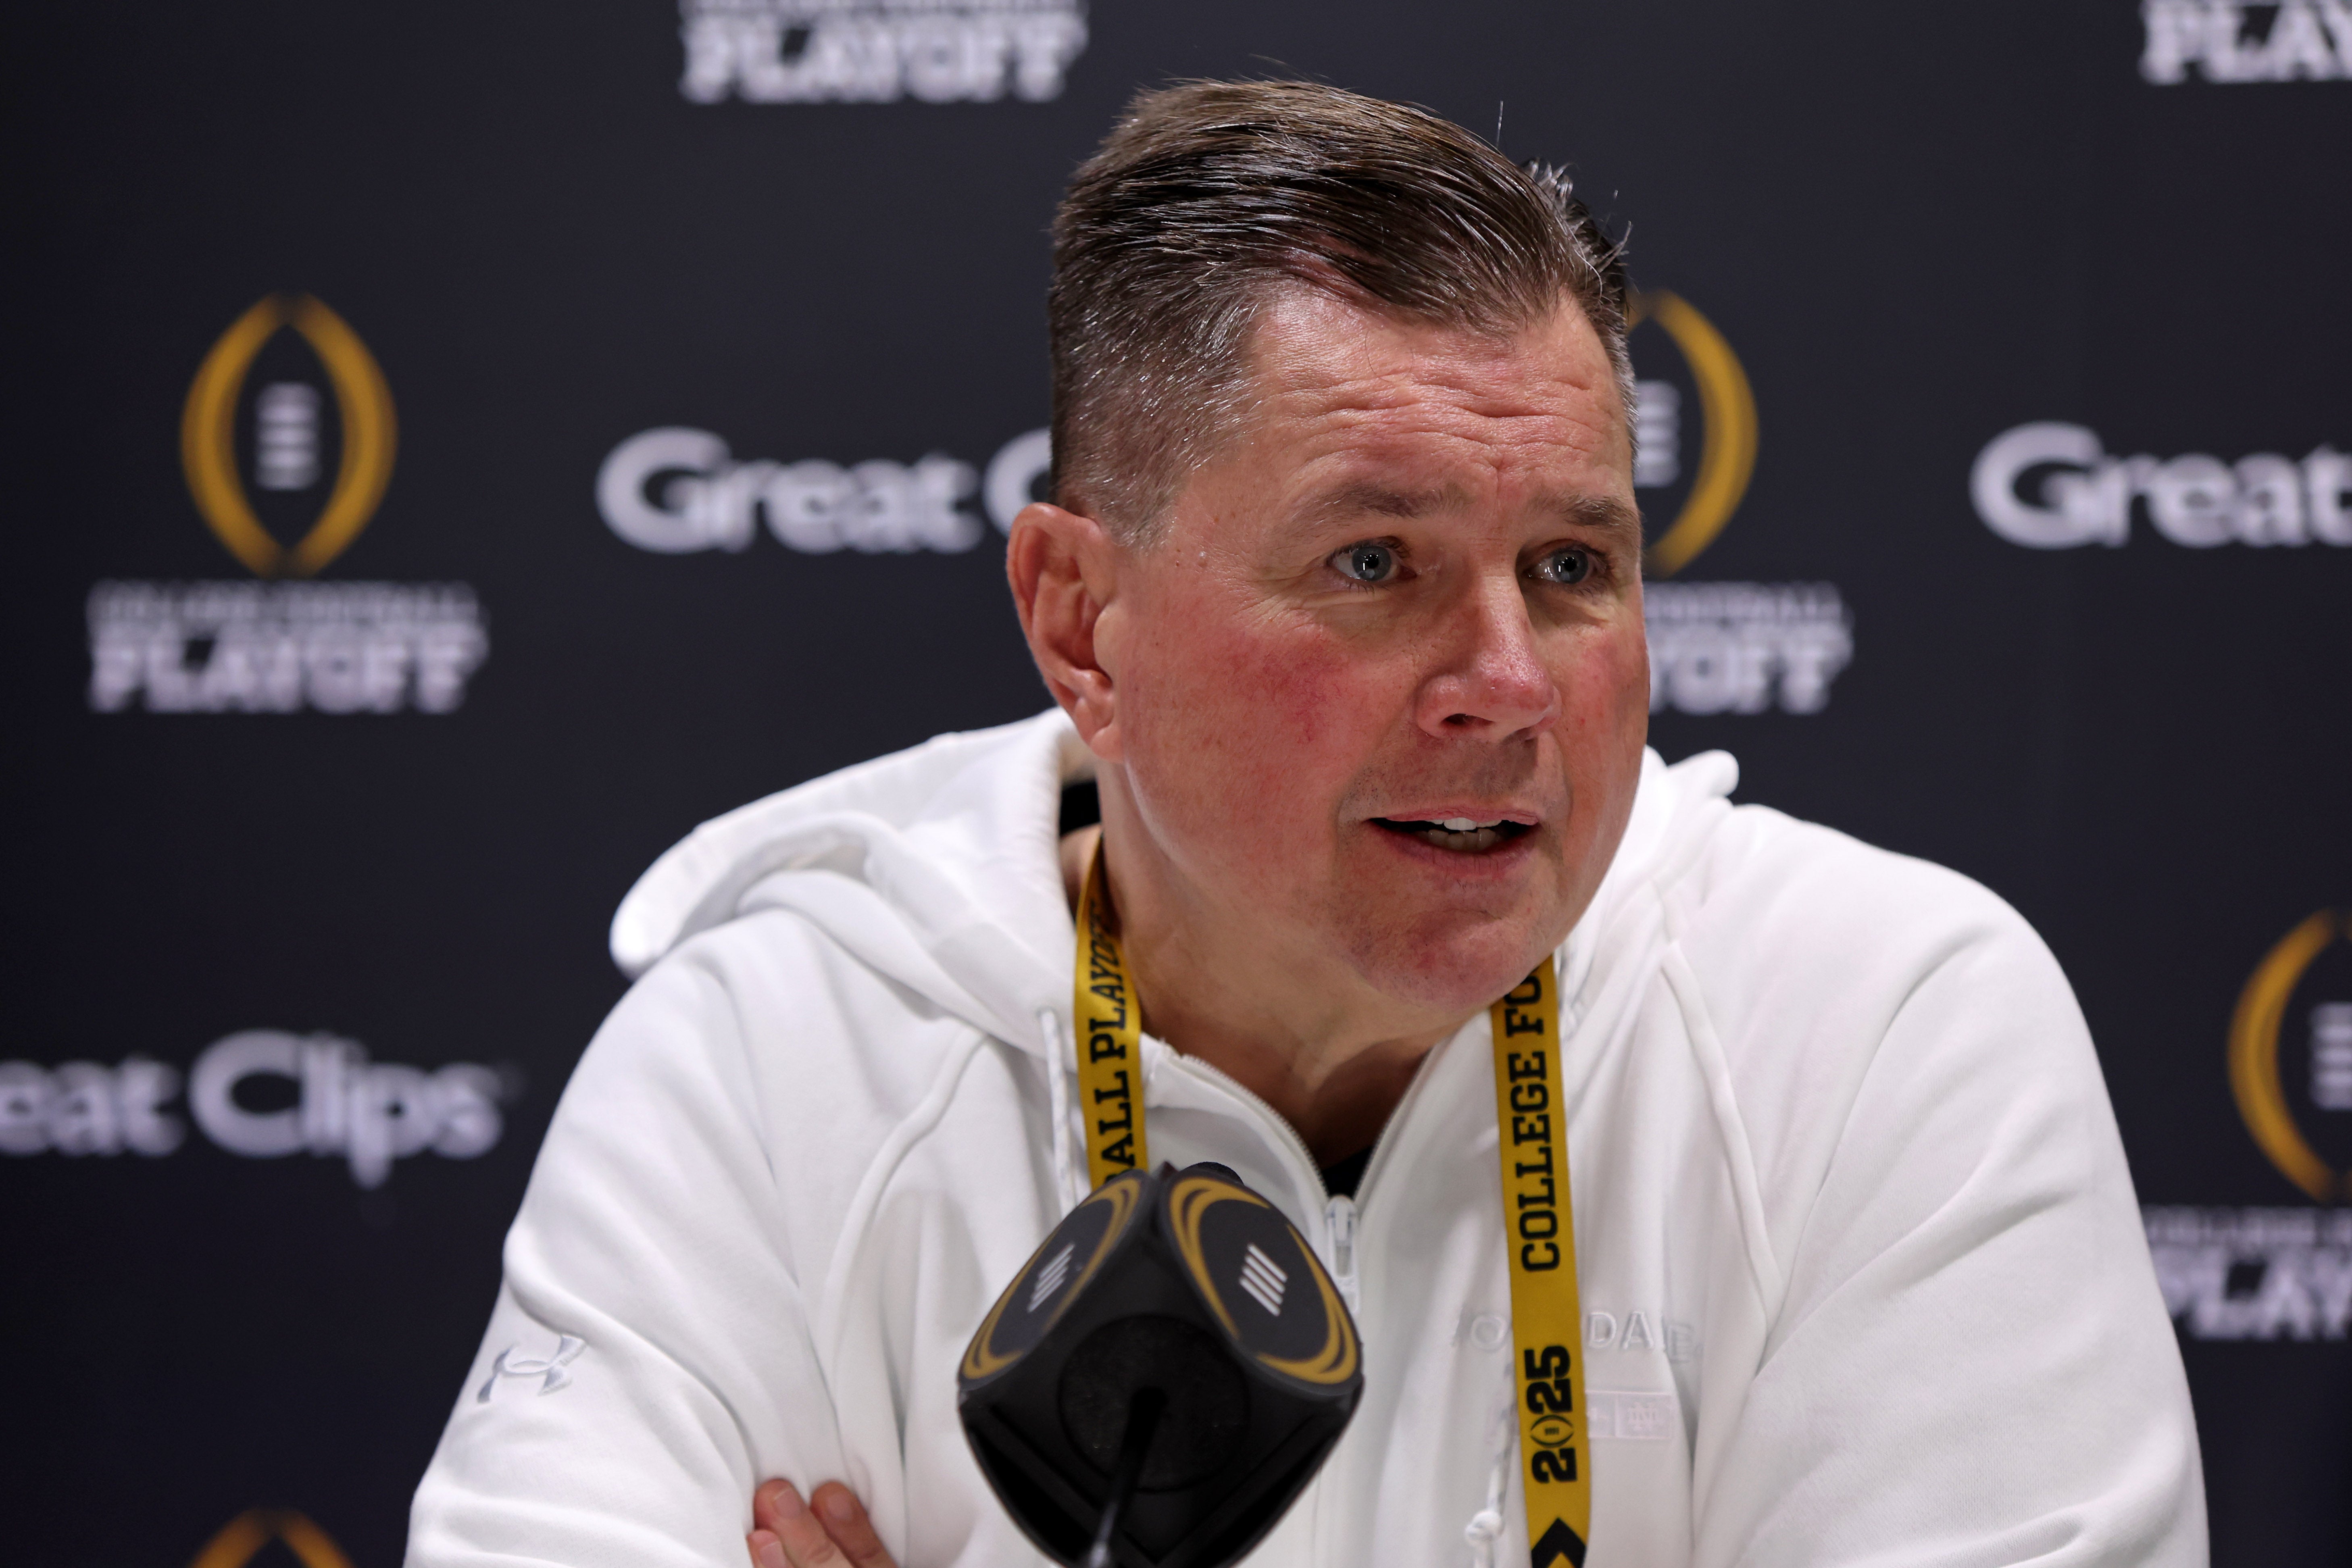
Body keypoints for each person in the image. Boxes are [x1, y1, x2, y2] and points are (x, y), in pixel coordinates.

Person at [406, 81, 2204, 1568]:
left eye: (1572, 565)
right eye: (1374, 562)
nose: (1505, 681)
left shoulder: (1888, 1031)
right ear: (1079, 626)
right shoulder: (767, 1069)